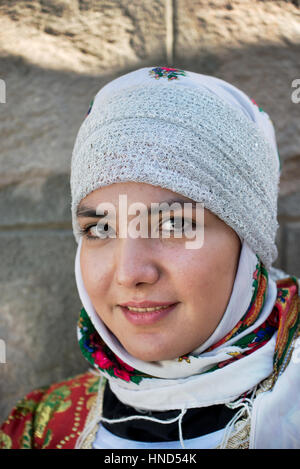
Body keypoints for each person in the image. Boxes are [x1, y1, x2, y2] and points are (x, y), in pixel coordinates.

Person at [1, 66, 299, 450]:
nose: (129, 273)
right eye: (100, 229)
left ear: (248, 243)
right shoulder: (39, 429)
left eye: (173, 225)